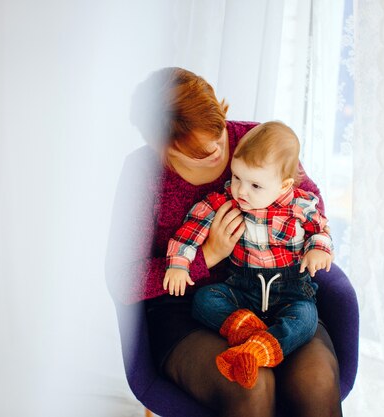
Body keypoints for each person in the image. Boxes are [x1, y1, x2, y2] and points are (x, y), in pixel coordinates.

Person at [107, 67, 343, 416]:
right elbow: (122, 280)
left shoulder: (255, 140)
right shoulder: (144, 174)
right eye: (201, 152)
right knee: (251, 384)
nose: (219, 152)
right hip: (188, 311)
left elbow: (310, 206)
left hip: (277, 296)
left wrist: (317, 245)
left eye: (219, 133)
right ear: (163, 147)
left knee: (317, 379)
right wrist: (207, 255)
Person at [163, 121, 333, 390]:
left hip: (291, 292)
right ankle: (253, 336)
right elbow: (193, 226)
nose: (241, 190)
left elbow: (321, 230)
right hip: (242, 290)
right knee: (205, 300)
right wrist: (179, 264)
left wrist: (318, 249)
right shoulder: (227, 200)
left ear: (283, 185)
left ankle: (257, 349)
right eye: (237, 178)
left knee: (306, 319)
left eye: (255, 185)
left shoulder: (300, 205)